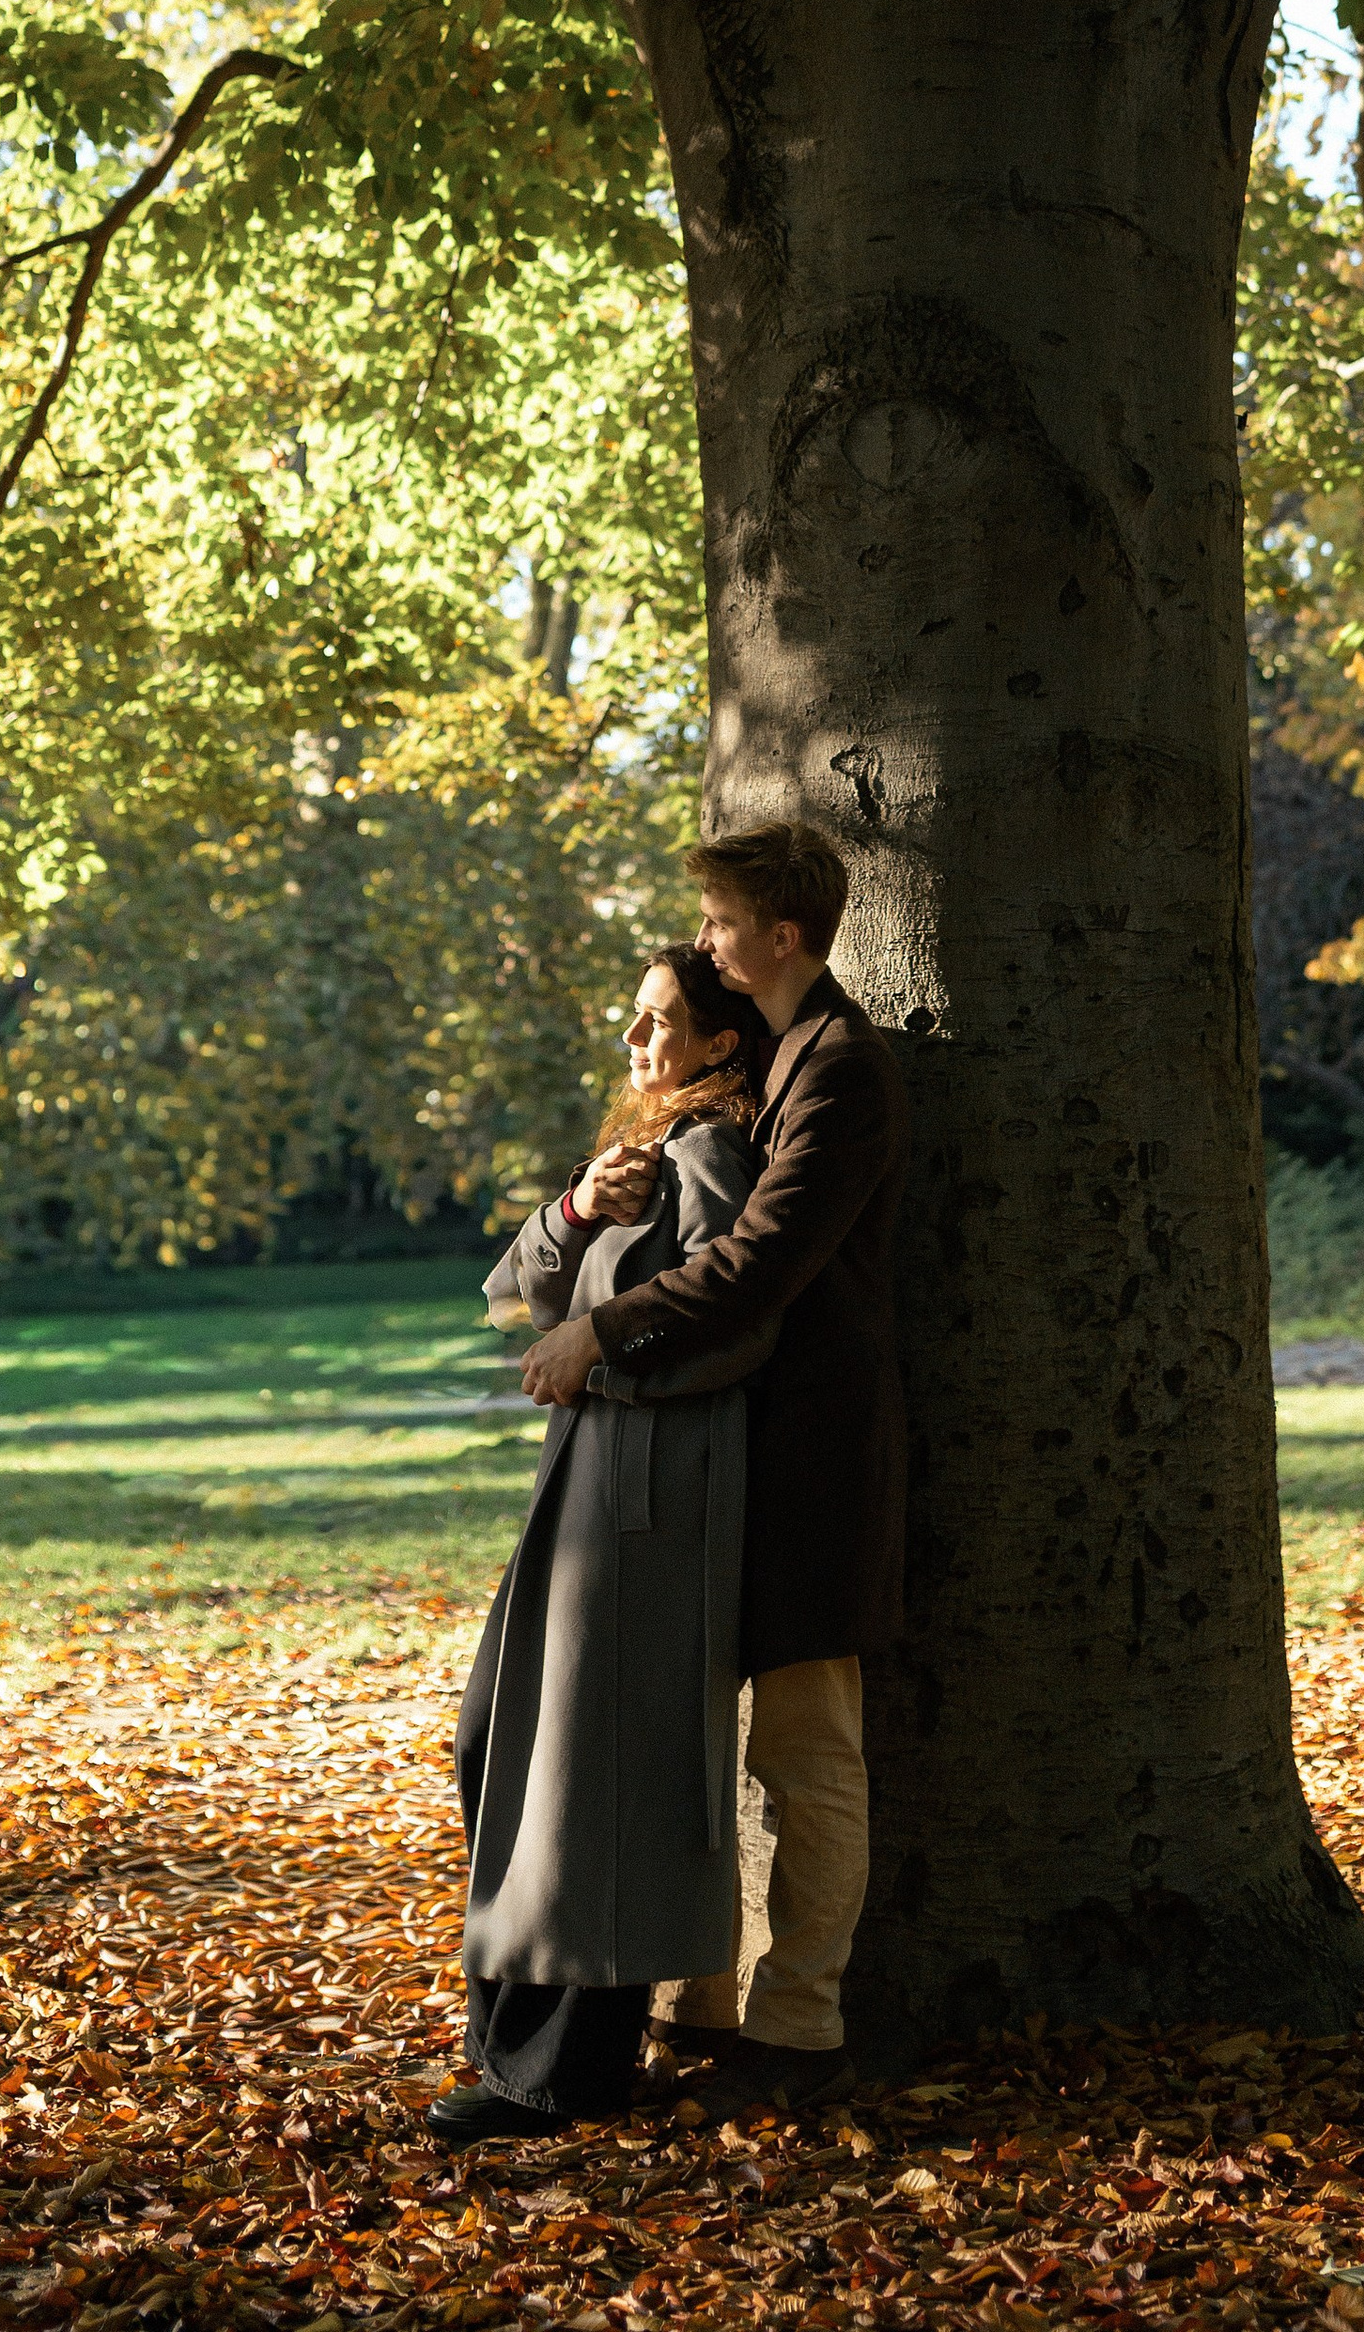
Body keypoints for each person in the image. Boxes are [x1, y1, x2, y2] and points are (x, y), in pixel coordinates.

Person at [516, 819, 910, 2117]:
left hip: (808, 1465)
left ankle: (800, 2030)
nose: (703, 943)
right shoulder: (779, 1065)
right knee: (701, 1746)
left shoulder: (844, 1068)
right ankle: (706, 1999)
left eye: (720, 921)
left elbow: (763, 1265)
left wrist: (598, 1327)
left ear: (782, 935)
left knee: (808, 1753)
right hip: (726, 1463)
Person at [433, 943, 777, 2150]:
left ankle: (563, 2072)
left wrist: (602, 1356)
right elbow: (512, 1285)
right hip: (578, 1489)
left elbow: (738, 1325)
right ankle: (518, 2047)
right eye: (630, 1019)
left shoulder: (717, 1155)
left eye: (660, 1022)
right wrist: (580, 1205)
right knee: (501, 1741)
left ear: (719, 1043)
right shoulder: (643, 1160)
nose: (636, 1041)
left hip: (649, 1490)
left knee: (593, 1782)